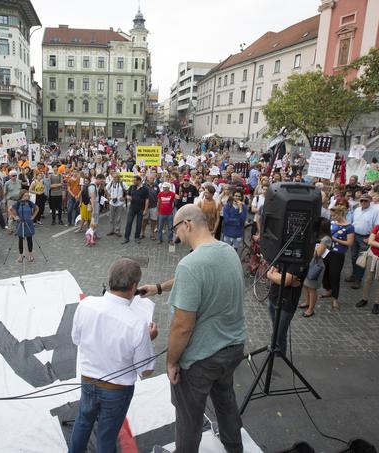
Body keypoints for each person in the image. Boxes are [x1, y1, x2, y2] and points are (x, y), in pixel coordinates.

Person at [159, 204, 246, 453]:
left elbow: (182, 327)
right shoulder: (228, 251)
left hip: (202, 358)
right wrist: (159, 287)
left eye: (177, 230)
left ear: (186, 224)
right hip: (232, 348)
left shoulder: (190, 264)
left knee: (189, 418)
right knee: (225, 400)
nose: (176, 236)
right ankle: (234, 445)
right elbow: (200, 275)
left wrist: (171, 362)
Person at [68, 258, 157, 452]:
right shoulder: (137, 323)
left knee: (83, 422)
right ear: (134, 287)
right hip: (116, 390)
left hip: (88, 380)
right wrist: (148, 339)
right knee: (107, 436)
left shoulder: (86, 305)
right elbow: (146, 370)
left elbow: (76, 339)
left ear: (110, 280)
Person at [321, 204, 354, 311]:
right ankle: (328, 289)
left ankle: (335, 298)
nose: (332, 217)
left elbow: (349, 242)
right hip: (327, 251)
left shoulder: (349, 227)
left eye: (334, 215)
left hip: (338, 254)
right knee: (325, 271)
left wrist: (335, 239)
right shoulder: (332, 223)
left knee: (334, 275)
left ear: (340, 214)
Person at [346, 194, 379, 290]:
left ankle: (358, 279)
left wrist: (371, 237)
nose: (363, 202)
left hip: (365, 237)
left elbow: (377, 226)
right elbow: (352, 221)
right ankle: (354, 275)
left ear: (370, 201)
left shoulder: (375, 212)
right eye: (361, 200)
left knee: (361, 259)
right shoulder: (357, 210)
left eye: (365, 201)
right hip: (354, 235)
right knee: (353, 257)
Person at [300, 218, 332, 317]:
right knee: (305, 284)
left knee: (312, 287)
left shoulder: (326, 239)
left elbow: (317, 253)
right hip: (309, 262)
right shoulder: (318, 236)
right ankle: (307, 301)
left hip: (316, 265)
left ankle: (310, 309)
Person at [9, 190, 38, 263]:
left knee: (29, 239)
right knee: (20, 240)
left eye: (28, 195)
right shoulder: (18, 203)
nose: (27, 197)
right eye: (25, 195)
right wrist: (15, 217)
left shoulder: (29, 203)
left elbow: (37, 208)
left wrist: (33, 216)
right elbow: (10, 209)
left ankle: (30, 255)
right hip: (20, 223)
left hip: (29, 223)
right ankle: (21, 256)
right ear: (21, 196)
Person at [122, 176, 149, 244]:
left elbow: (147, 199)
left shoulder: (145, 188)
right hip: (132, 208)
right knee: (129, 223)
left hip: (141, 209)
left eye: (134, 180)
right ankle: (126, 238)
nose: (133, 182)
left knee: (139, 224)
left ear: (139, 181)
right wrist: (128, 197)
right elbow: (127, 195)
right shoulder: (132, 187)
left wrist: (145, 210)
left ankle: (137, 237)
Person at [141, 174, 160, 240]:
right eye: (151, 178)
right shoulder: (143, 186)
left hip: (154, 206)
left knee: (153, 220)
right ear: (147, 179)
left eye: (153, 178)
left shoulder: (156, 186)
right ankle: (142, 232)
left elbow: (158, 196)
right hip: (145, 206)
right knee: (144, 220)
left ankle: (152, 233)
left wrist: (158, 206)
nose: (152, 179)